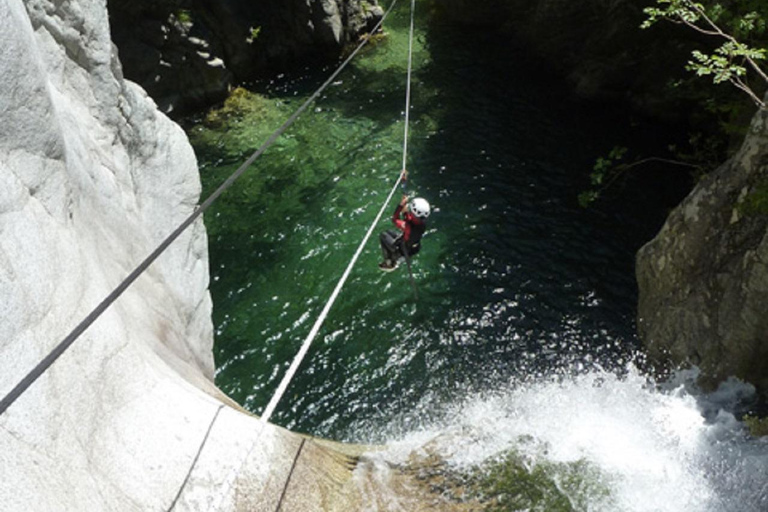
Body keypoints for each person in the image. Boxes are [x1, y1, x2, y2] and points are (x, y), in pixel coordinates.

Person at [379, 190, 430, 272]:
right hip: (413, 247)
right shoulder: (422, 223)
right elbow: (409, 219)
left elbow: (395, 219)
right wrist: (405, 210)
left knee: (383, 235)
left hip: (403, 249)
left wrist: (401, 205)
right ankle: (396, 257)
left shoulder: (408, 228)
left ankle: (390, 262)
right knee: (389, 232)